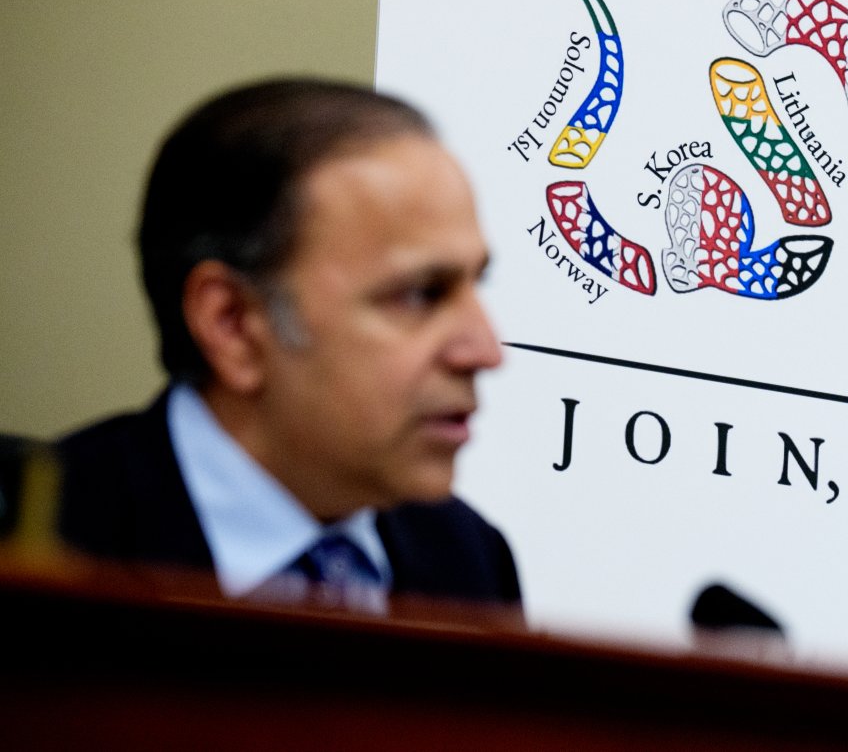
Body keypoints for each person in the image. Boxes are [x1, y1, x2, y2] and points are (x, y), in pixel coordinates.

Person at [56, 78, 520, 610]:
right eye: (419, 294)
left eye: (477, 283)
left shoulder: (469, 562)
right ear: (233, 324)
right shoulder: (43, 544)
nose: (486, 352)